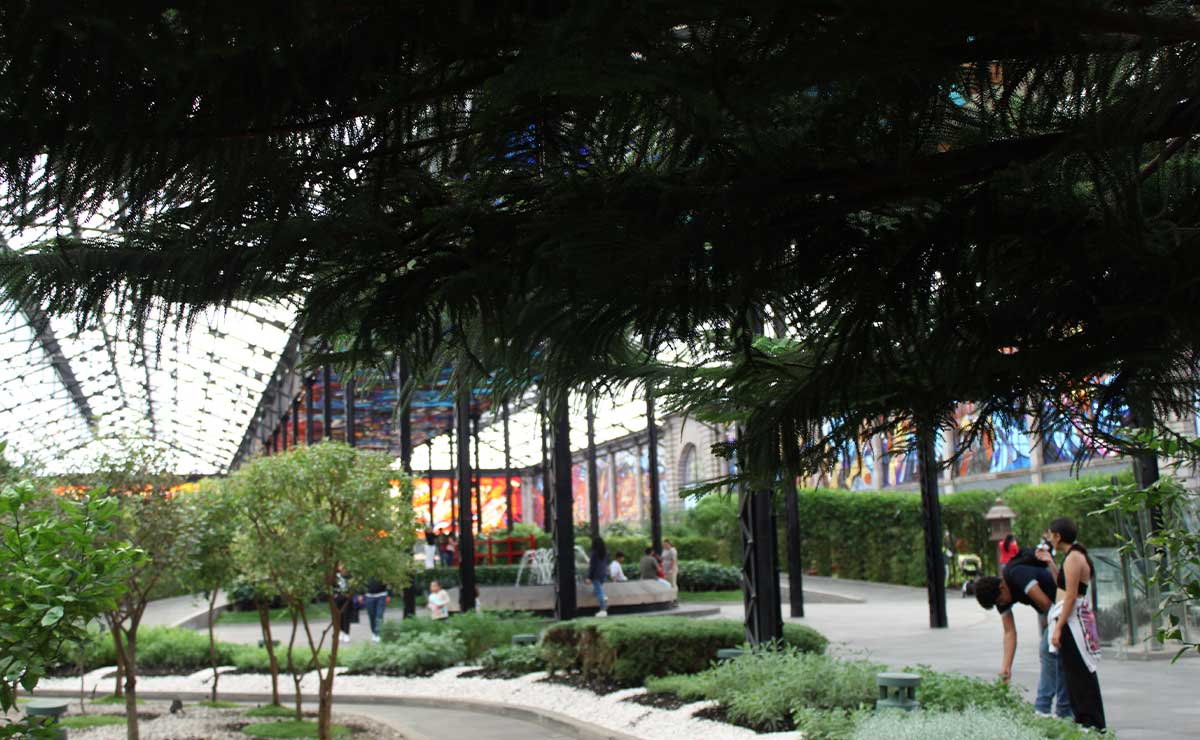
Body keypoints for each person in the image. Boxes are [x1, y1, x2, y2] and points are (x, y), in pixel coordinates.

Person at [972, 547, 1071, 720]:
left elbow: (1047, 604)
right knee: (1057, 657)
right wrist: (1006, 667)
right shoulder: (1000, 596)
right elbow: (1009, 632)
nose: (1001, 604)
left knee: (1047, 651)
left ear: (1002, 586)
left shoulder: (1017, 575)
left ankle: (1044, 708)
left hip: (1061, 604)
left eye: (1000, 600)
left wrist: (1050, 630)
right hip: (1048, 610)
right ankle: (1063, 710)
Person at [1047, 517, 1106, 731]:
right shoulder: (1074, 556)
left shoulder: (1074, 558)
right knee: (1075, 671)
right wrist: (1050, 564)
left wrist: (1059, 627)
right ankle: (1087, 720)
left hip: (1073, 621)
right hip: (1073, 618)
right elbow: (1064, 585)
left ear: (1058, 536)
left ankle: (1090, 722)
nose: (1049, 538)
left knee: (1078, 672)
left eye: (1050, 534)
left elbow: (1070, 596)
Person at [585, 536, 609, 617]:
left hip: (596, 575)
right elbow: (606, 564)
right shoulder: (605, 552)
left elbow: (592, 567)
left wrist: (589, 577)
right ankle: (604, 598)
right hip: (603, 574)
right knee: (598, 590)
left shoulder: (594, 553)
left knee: (599, 592)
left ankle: (603, 610)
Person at [362, 577, 390, 642]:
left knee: (379, 615)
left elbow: (389, 582)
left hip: (382, 595)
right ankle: (374, 632)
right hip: (369, 596)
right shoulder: (367, 570)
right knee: (371, 616)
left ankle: (378, 633)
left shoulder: (382, 569)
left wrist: (389, 595)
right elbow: (361, 583)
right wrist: (360, 594)